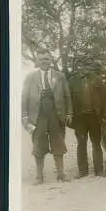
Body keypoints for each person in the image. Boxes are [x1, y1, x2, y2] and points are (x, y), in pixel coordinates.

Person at [21, 50, 73, 185]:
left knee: (58, 144)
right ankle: (39, 177)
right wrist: (25, 116)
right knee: (38, 145)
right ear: (38, 61)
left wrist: (69, 113)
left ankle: (61, 174)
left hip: (56, 114)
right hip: (38, 116)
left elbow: (67, 96)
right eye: (42, 59)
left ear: (51, 61)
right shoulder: (30, 77)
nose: (45, 62)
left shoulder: (60, 76)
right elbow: (24, 97)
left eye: (47, 59)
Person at [68, 59, 106, 178]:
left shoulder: (97, 79)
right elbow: (68, 99)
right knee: (81, 143)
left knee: (96, 143)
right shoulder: (72, 80)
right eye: (82, 65)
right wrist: (70, 115)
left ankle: (99, 170)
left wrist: (103, 116)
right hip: (79, 118)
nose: (85, 68)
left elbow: (104, 99)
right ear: (78, 66)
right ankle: (82, 171)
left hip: (94, 116)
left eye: (87, 65)